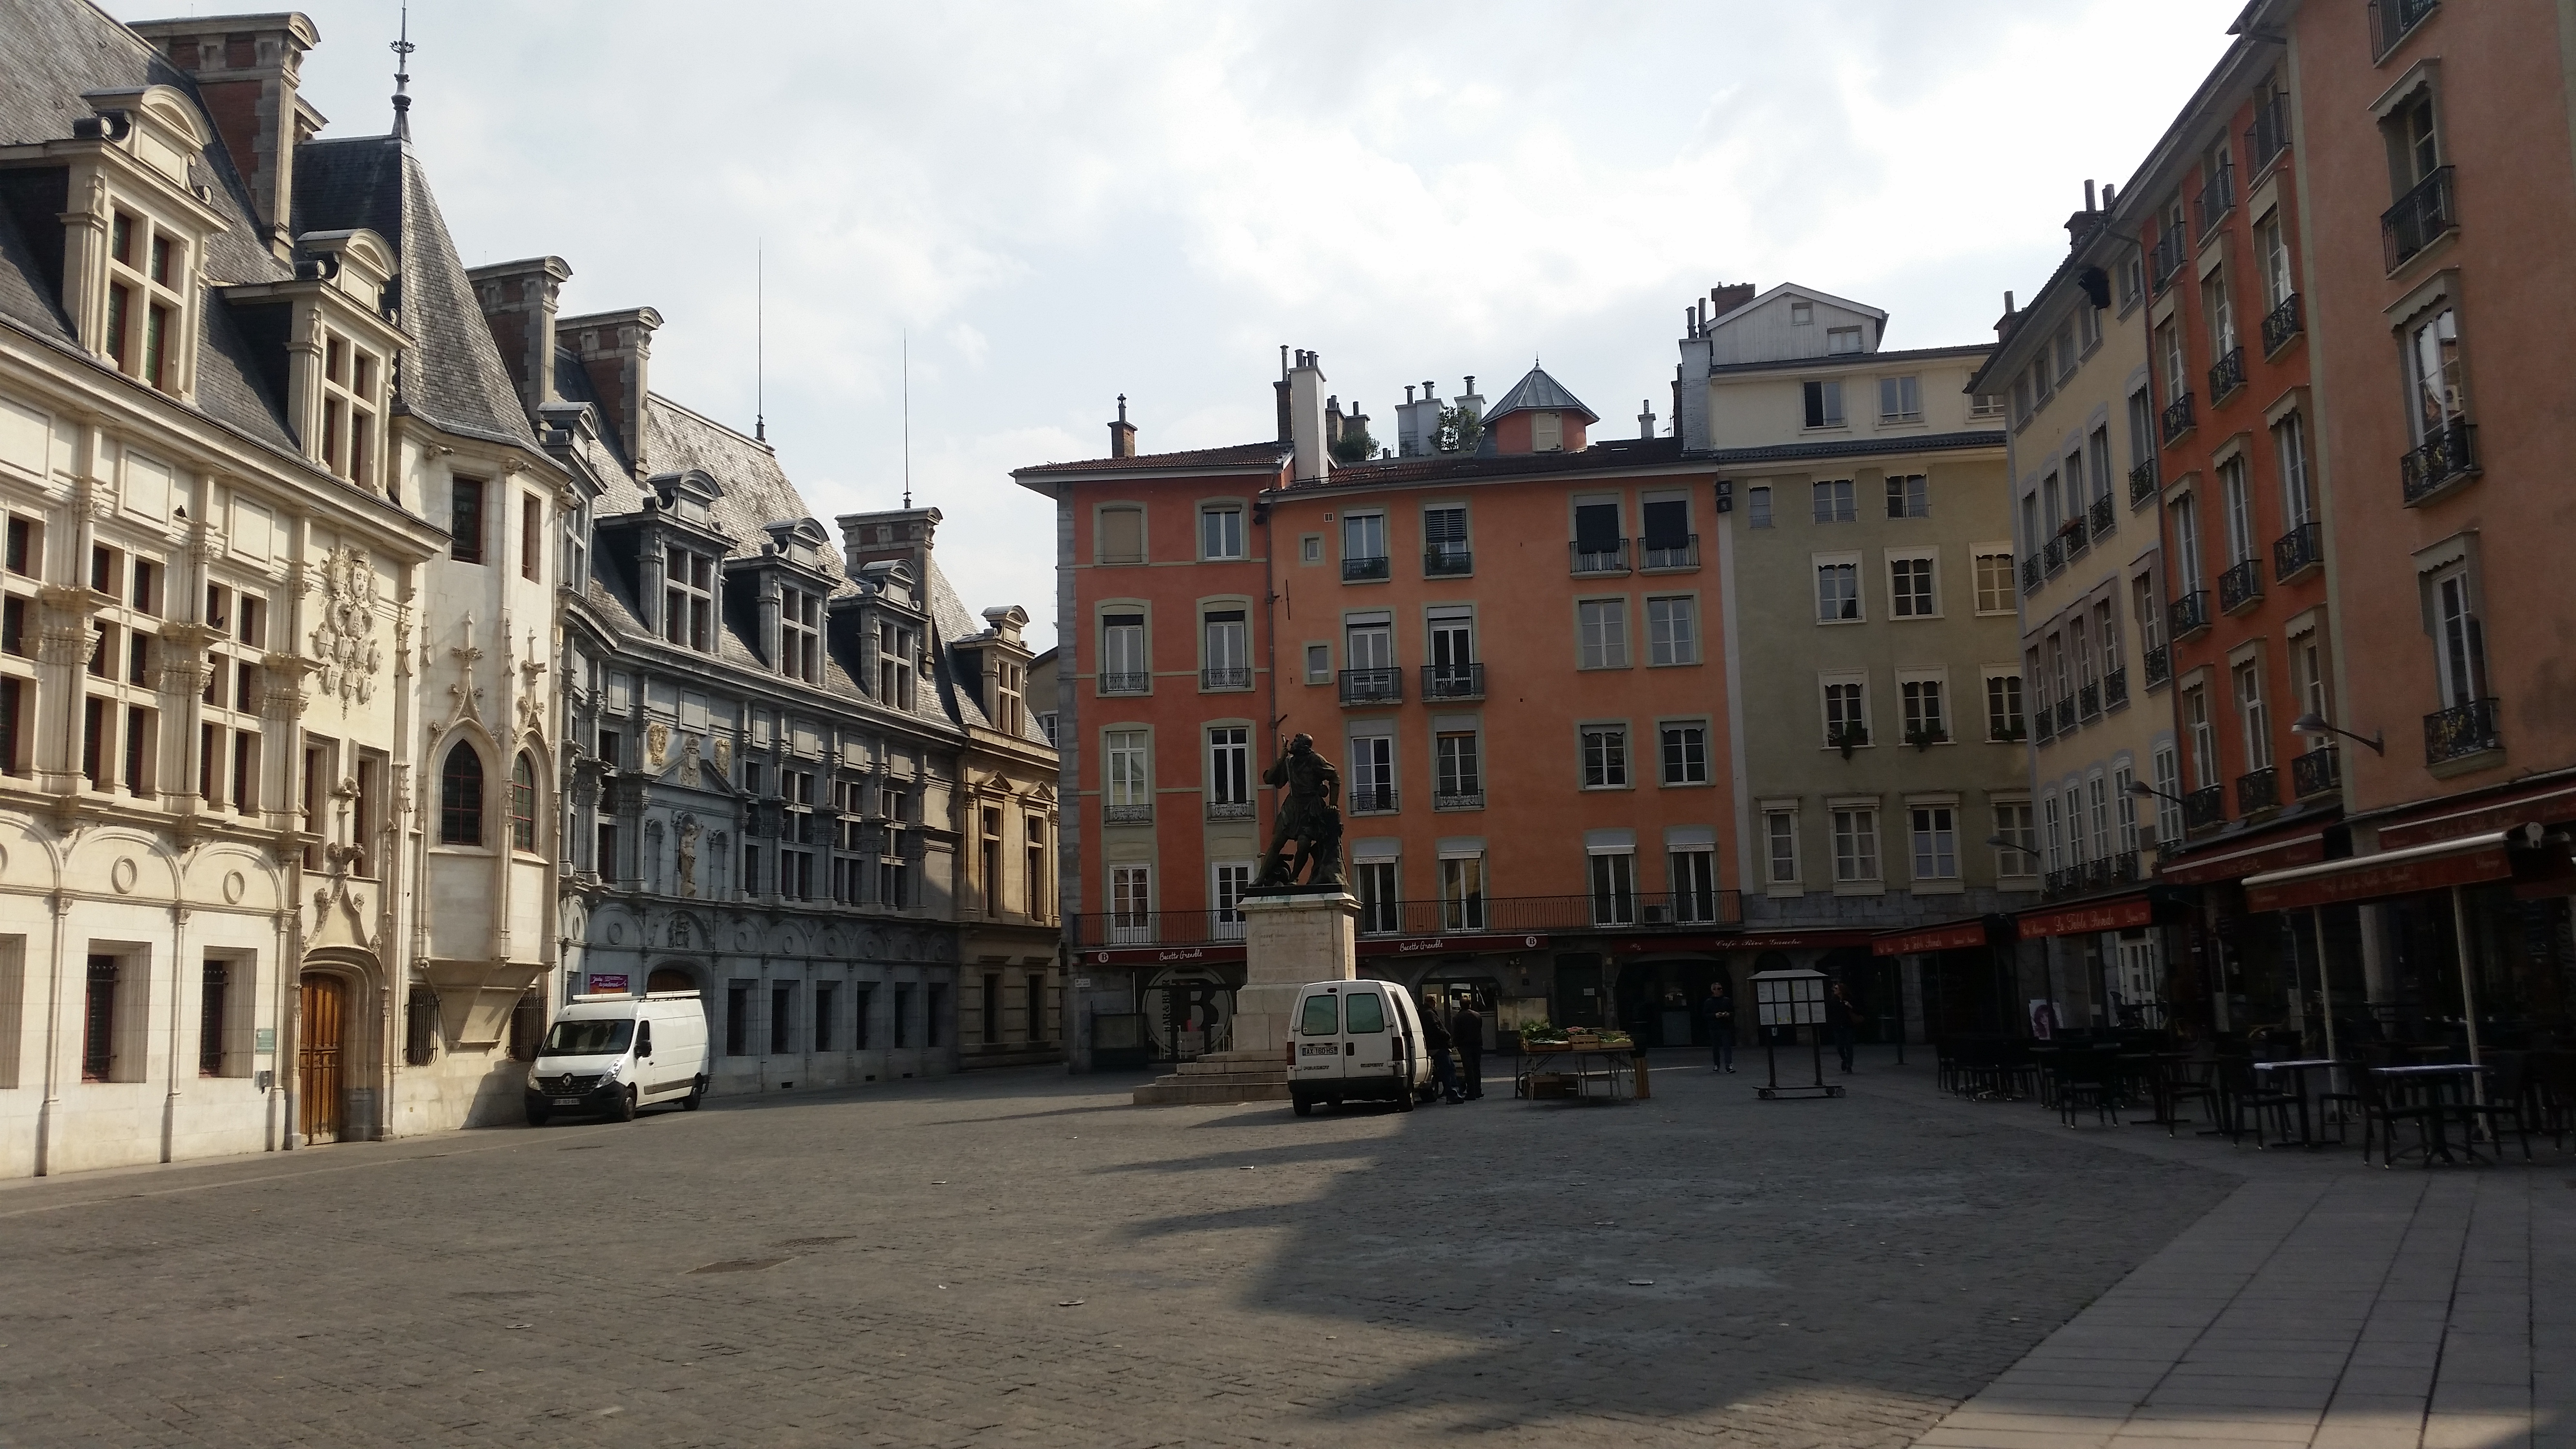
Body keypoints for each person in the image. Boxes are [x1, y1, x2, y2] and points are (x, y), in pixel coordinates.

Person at [1420, 996, 1465, 1103]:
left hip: (1433, 1046)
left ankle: (1452, 1092)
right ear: (1433, 1002)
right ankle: (1452, 1094)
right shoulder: (1429, 1014)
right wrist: (1447, 1035)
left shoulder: (1423, 1012)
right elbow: (1435, 1029)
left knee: (1448, 1069)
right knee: (1448, 1070)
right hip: (1438, 1047)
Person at [1696, 980, 1736, 1073]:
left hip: (1725, 1027)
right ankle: (1717, 1065)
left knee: (1727, 1047)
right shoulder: (1709, 1002)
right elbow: (1705, 1015)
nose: (1720, 990)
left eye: (1721, 988)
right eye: (1718, 989)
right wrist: (1715, 1016)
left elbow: (1733, 1012)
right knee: (1715, 1048)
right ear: (1713, 990)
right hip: (1714, 1027)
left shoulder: (1727, 1000)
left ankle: (1729, 1065)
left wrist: (1728, 1014)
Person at [1451, 998, 1485, 1099]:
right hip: (1477, 1045)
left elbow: (1455, 1033)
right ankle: (1478, 1090)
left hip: (1465, 1046)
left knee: (1468, 1069)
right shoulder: (1477, 1016)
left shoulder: (1457, 1018)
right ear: (1470, 1005)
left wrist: (1456, 1044)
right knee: (1476, 1068)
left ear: (1461, 1005)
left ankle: (1471, 1092)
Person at [1825, 980, 1859, 1074]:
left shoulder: (1849, 999)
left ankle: (1849, 1065)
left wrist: (1850, 1006)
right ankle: (1844, 1059)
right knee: (1840, 1046)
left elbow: (1858, 1011)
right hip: (1837, 1026)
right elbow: (1830, 1013)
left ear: (1841, 990)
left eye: (1836, 988)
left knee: (1849, 1046)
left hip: (1848, 1026)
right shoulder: (1833, 1001)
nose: (1834, 990)